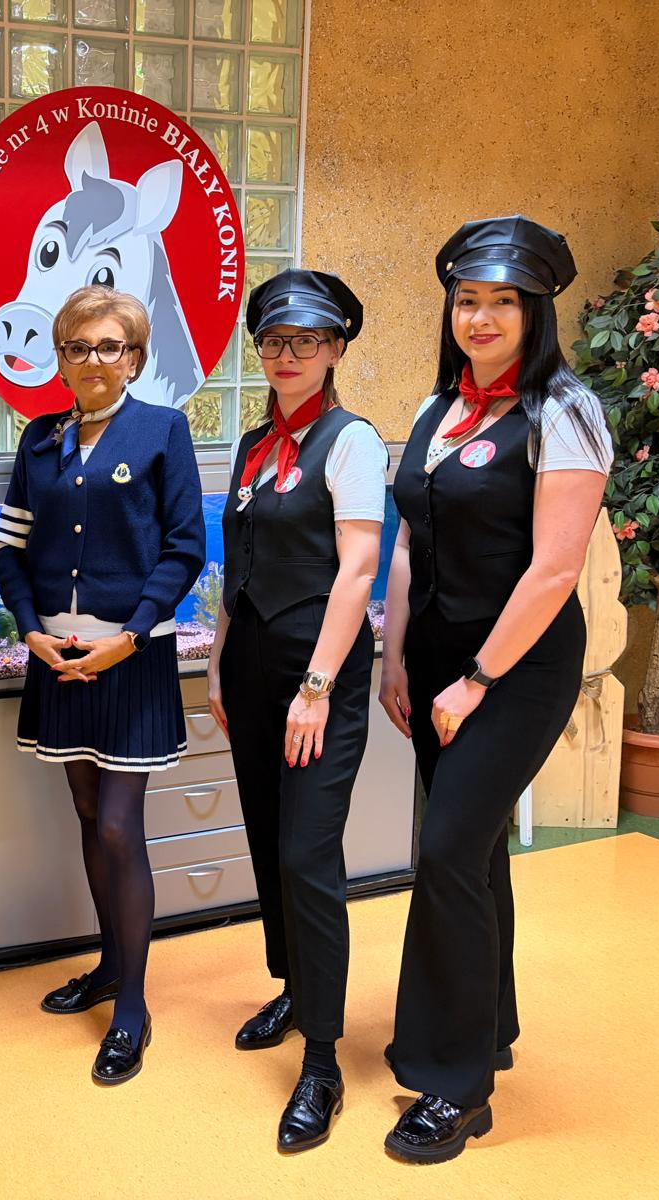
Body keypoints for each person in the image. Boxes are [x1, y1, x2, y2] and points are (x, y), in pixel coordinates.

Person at [379, 216, 609, 1162]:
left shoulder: (566, 411)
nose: (480, 317)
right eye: (467, 299)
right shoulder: (438, 409)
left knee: (444, 854)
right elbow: (408, 538)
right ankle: (489, 1028)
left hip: (516, 668)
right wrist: (396, 656)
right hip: (435, 662)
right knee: (473, 857)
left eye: (503, 301)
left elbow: (554, 569)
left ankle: (454, 1086)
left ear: (537, 310)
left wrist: (477, 678)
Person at [0, 285, 205, 1086]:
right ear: (61, 358)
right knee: (87, 813)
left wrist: (132, 633)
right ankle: (111, 965)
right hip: (59, 658)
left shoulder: (163, 430)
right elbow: (10, 545)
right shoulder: (39, 438)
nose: (92, 360)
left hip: (130, 657)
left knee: (118, 823)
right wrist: (29, 628)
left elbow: (184, 548)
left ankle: (134, 1006)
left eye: (109, 346)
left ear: (135, 358)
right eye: (77, 347)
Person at [210, 270, 386, 1152]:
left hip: (318, 676)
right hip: (250, 666)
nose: (287, 355)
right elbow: (235, 566)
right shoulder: (252, 445)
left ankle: (322, 1059)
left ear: (336, 348)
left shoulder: (352, 442)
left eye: (306, 340)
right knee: (265, 839)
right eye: (274, 341)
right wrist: (218, 663)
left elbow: (359, 570)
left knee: (307, 855)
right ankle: (291, 986)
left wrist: (315, 688)